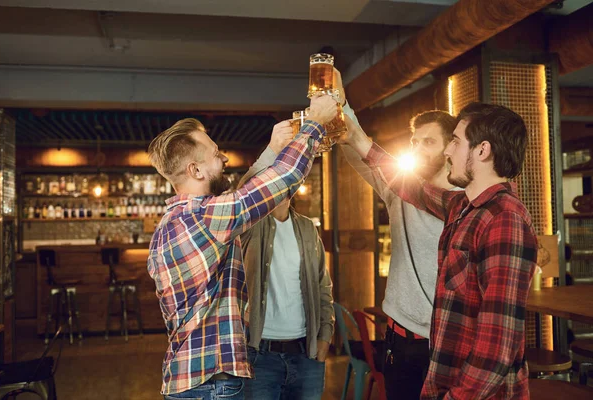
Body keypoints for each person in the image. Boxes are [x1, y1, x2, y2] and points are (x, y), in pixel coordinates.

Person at [341, 102, 538, 399]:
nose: (448, 151)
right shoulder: (463, 207)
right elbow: (411, 188)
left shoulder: (504, 220)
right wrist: (353, 131)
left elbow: (497, 348)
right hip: (441, 375)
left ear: (482, 151)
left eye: (456, 142)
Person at [146, 94, 337, 400]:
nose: (224, 159)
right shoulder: (205, 218)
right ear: (196, 170)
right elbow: (282, 180)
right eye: (215, 154)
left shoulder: (181, 217)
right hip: (212, 386)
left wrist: (273, 150)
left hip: (191, 379)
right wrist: (315, 121)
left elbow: (239, 199)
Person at [336, 68, 457, 399]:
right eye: (415, 141)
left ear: (452, 149)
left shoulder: (464, 202)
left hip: (450, 344)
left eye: (428, 141)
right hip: (400, 341)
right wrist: (340, 106)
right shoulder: (400, 189)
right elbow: (361, 156)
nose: (418, 148)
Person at [237, 120, 334, 400]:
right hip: (260, 355)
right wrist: (272, 149)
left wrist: (325, 338)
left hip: (306, 354)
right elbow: (242, 194)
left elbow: (323, 286)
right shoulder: (252, 224)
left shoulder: (306, 228)